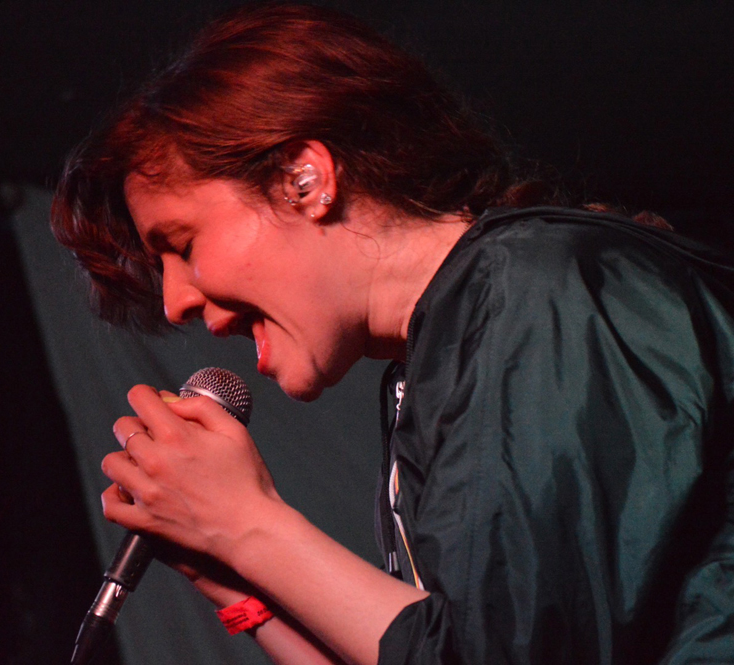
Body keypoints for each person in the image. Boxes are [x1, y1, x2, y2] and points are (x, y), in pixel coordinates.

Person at [51, 4, 734, 663]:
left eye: (181, 243)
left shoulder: (536, 291)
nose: (175, 302)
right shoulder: (447, 356)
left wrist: (247, 522)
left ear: (303, 179)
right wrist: (232, 572)